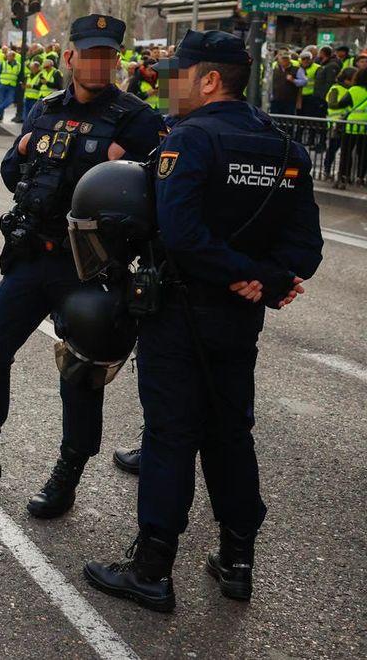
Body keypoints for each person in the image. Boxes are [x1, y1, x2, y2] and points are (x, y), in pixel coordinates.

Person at [85, 30, 324, 612]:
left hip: (179, 309)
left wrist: (239, 273)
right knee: (230, 434)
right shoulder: (284, 146)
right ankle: (237, 561)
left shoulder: (187, 142)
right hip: (240, 317)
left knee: (170, 435)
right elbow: (306, 247)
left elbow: (184, 236)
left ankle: (152, 569)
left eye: (179, 73)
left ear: (209, 79)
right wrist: (262, 279)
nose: (170, 84)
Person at [0, 15, 162, 519]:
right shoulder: (46, 108)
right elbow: (15, 171)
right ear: (70, 56)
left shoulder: (137, 119)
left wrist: (116, 170)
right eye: (88, 53)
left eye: (107, 54)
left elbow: (145, 200)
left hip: (92, 266)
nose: (97, 63)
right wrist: (34, 153)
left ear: (116, 60)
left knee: (78, 375)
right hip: (35, 254)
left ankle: (67, 474)